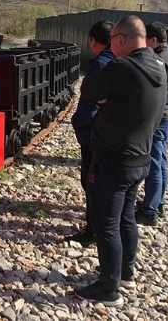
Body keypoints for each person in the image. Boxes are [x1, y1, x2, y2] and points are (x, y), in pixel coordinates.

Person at [74, 16, 167, 307]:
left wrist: (105, 101)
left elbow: (88, 90)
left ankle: (108, 289)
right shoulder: (160, 66)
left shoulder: (121, 67)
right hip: (141, 157)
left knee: (107, 223)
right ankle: (126, 273)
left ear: (123, 39)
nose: (111, 46)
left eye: (113, 40)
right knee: (126, 217)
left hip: (114, 158)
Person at [66, 21, 115, 246]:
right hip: (115, 136)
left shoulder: (101, 65)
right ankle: (103, 224)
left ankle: (93, 230)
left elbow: (88, 107)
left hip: (95, 137)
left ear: (93, 41)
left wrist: (78, 126)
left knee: (92, 182)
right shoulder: (122, 60)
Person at [136, 22, 168, 226]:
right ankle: (158, 202)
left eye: (146, 40)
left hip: (158, 118)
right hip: (167, 116)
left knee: (154, 163)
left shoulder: (159, 60)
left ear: (154, 40)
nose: (144, 44)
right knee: (161, 162)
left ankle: (150, 211)